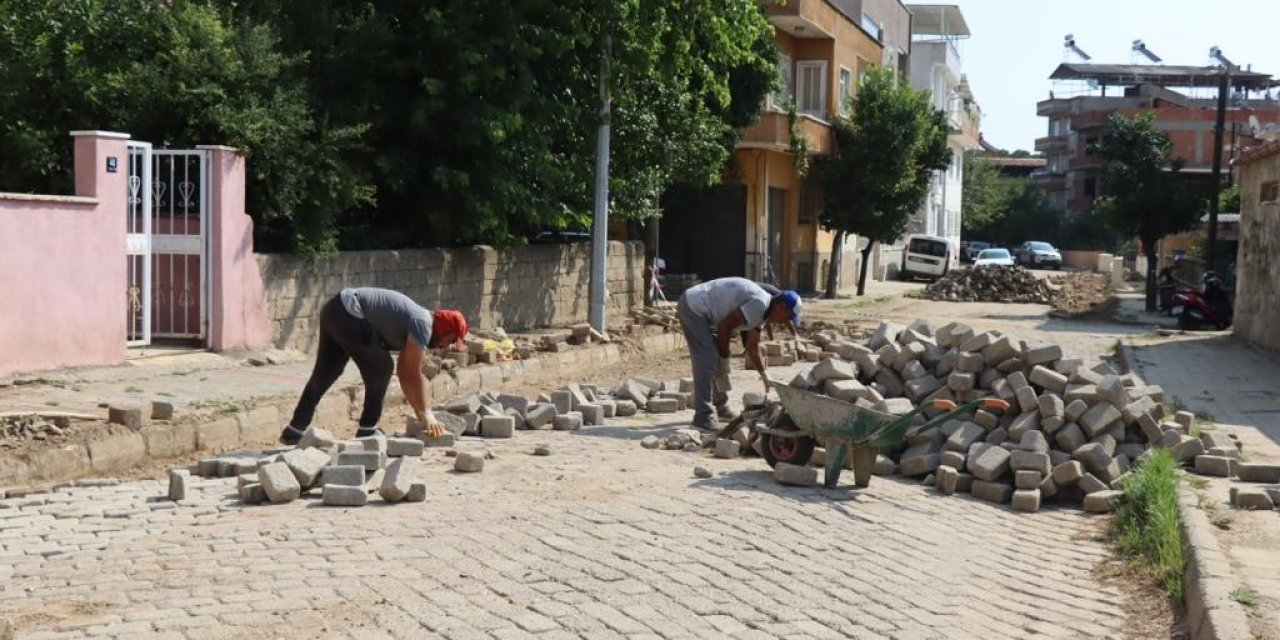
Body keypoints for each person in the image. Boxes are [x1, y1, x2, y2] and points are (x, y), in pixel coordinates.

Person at [278, 287, 468, 445]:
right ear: (444, 329)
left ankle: (294, 430)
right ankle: (368, 430)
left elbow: (404, 372)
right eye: (451, 339)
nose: (447, 346)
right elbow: (411, 374)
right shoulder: (423, 324)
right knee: (382, 367)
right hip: (349, 312)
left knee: (327, 371)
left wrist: (421, 413)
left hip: (335, 309)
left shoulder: (419, 321)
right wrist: (427, 414)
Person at [676, 277, 801, 430]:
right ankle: (702, 418)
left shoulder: (764, 313)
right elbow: (724, 327)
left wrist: (763, 374)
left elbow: (752, 346)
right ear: (781, 306)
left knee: (717, 359)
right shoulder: (759, 304)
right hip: (693, 307)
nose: (785, 322)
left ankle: (721, 407)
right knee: (707, 359)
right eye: (788, 317)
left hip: (707, 312)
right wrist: (724, 356)